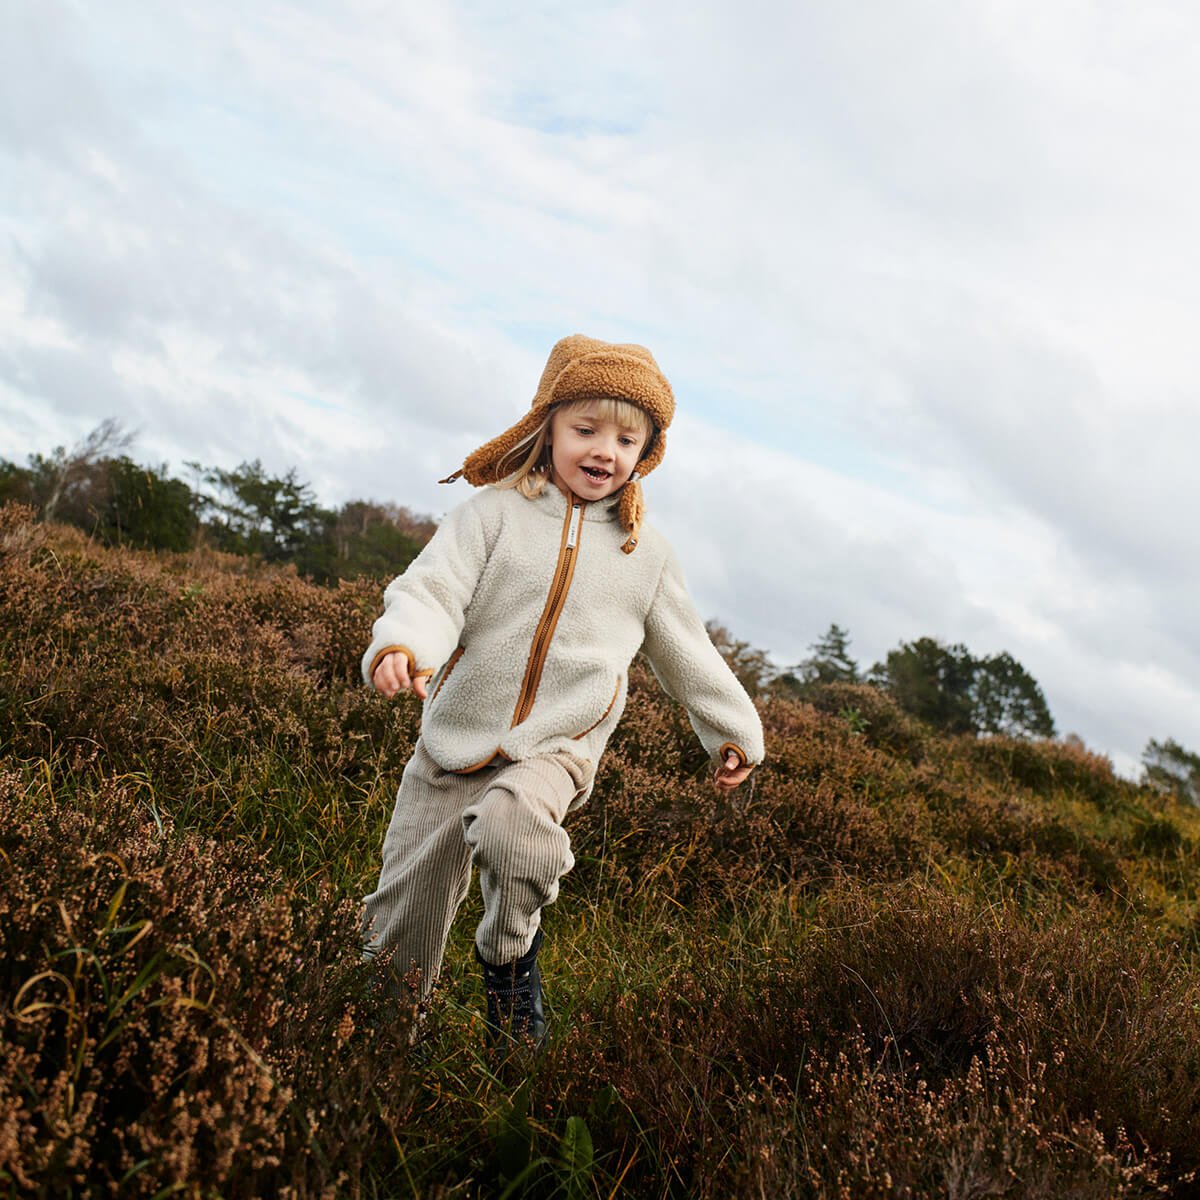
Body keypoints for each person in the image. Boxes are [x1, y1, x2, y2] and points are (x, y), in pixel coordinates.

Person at [361, 333, 764, 1046]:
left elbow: (687, 653)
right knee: (401, 927)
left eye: (626, 438)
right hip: (451, 744)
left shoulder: (647, 555)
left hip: (557, 748)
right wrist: (403, 645)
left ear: (647, 454)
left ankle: (509, 960)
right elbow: (433, 590)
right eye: (586, 429)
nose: (604, 450)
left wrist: (733, 730)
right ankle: (379, 1050)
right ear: (546, 426)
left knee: (518, 834)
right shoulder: (491, 515)